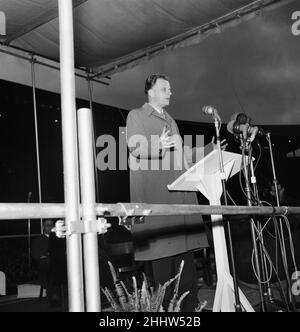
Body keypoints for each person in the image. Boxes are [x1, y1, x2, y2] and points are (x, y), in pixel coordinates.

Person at [126, 74, 218, 311]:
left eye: (170, 88)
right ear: (151, 92)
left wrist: (210, 150)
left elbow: (183, 156)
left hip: (181, 204)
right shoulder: (136, 115)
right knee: (164, 281)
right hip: (160, 206)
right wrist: (158, 145)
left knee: (187, 278)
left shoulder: (171, 121)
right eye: (165, 88)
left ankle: (189, 312)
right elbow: (135, 147)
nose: (170, 92)